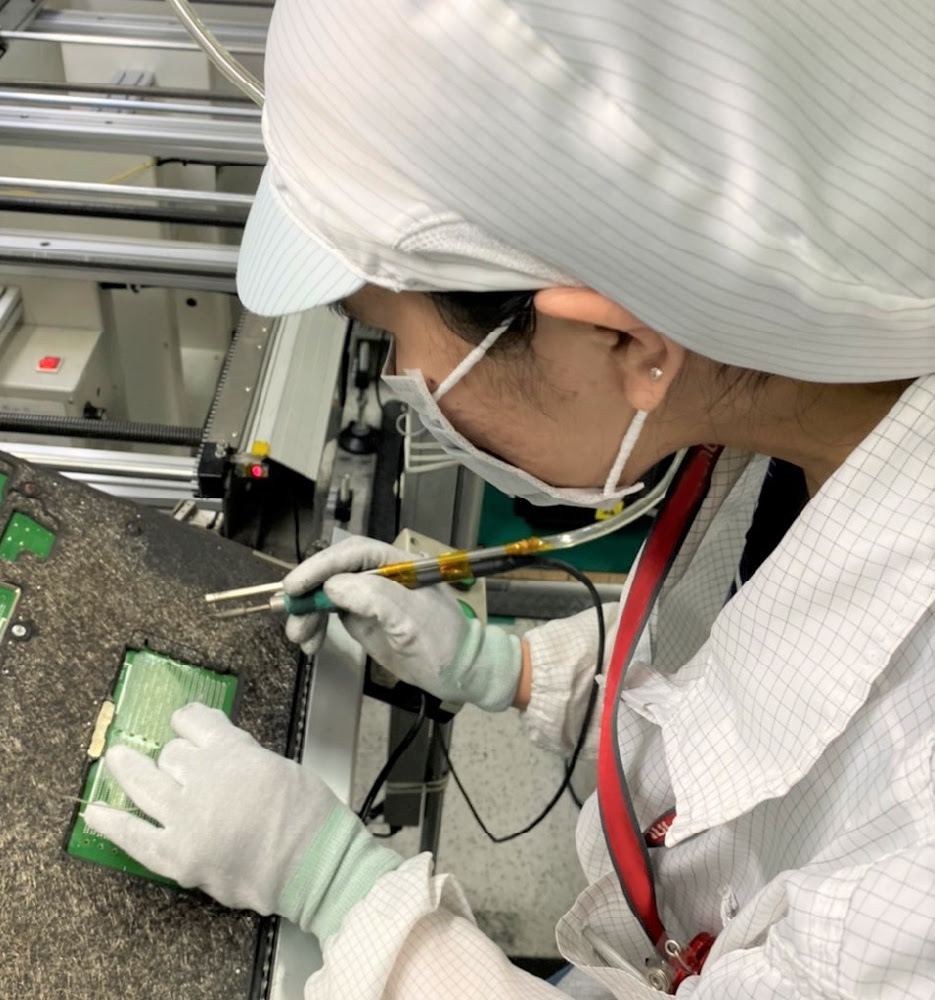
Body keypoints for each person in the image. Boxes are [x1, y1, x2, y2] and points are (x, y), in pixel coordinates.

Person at [85, 1, 935, 996]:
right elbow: (770, 662)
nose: (402, 377)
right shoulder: (802, 408)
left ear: (623, 345)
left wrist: (350, 897)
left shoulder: (911, 853)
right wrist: (515, 669)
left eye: (391, 339)